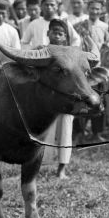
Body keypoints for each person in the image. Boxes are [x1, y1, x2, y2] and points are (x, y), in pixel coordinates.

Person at [41, 19, 76, 180]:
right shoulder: (40, 51)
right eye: (54, 32)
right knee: (44, 132)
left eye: (61, 33)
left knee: (66, 133)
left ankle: (61, 169)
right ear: (48, 34)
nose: (57, 35)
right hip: (46, 99)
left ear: (65, 37)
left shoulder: (72, 53)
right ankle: (40, 165)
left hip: (66, 99)